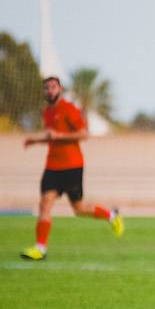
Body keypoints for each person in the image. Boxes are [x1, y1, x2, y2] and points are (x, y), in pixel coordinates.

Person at [21, 76, 124, 261]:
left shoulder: (68, 109)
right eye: (47, 88)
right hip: (52, 166)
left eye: (53, 87)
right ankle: (40, 248)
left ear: (60, 89)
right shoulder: (47, 112)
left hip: (72, 166)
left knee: (79, 209)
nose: (50, 91)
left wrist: (59, 135)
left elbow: (83, 134)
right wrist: (35, 140)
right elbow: (51, 136)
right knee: (45, 203)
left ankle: (111, 215)